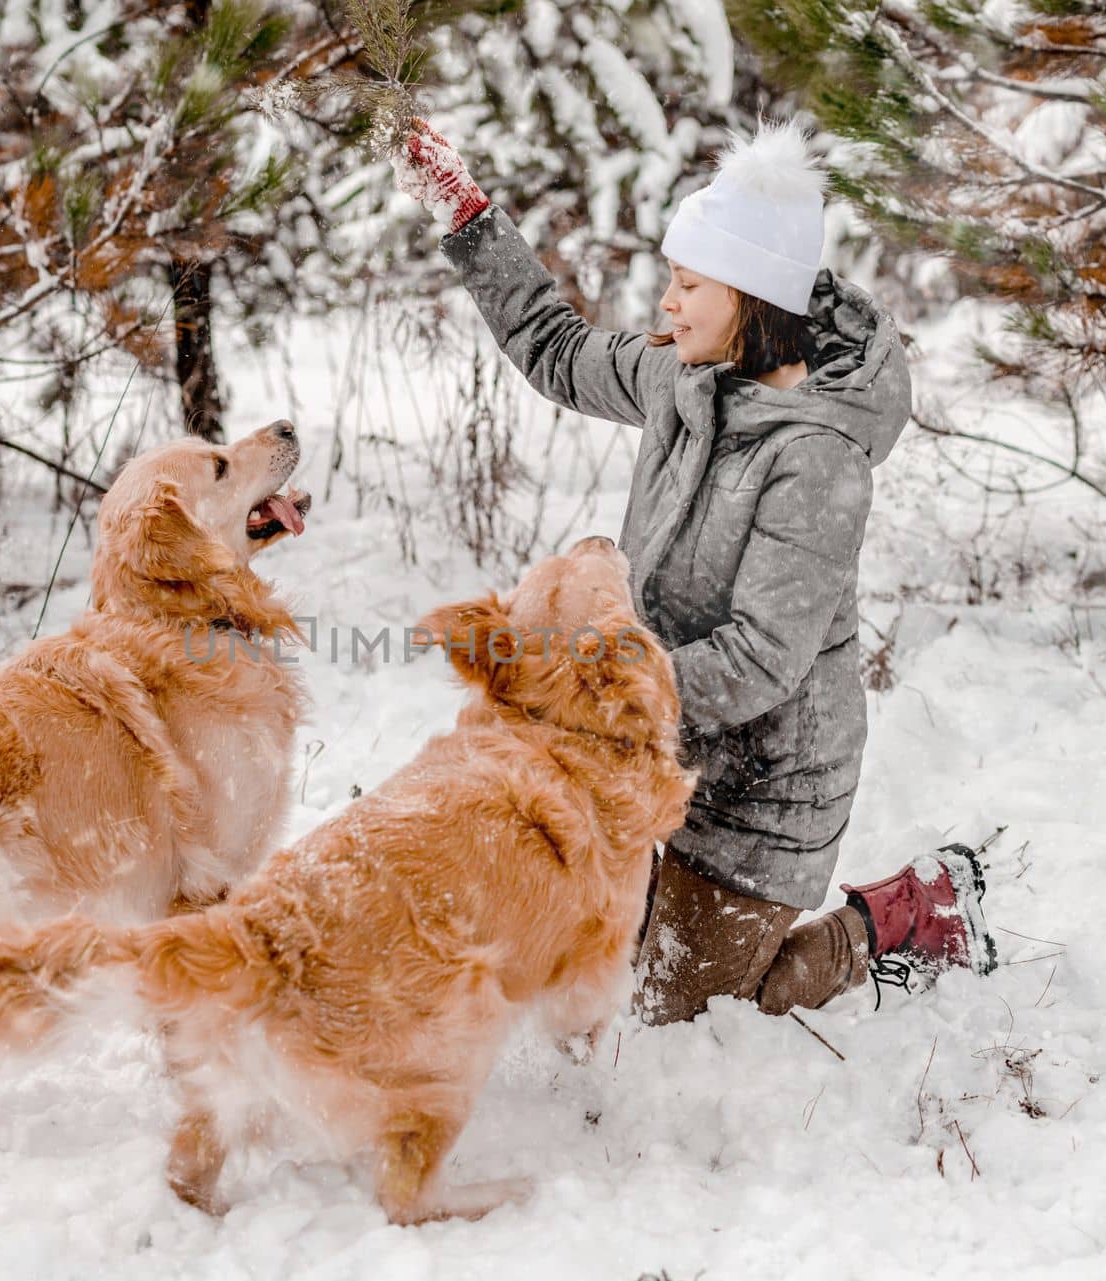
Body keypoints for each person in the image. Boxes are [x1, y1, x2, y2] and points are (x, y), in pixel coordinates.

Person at [392, 116, 997, 1025]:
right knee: (571, 940)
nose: (665, 306)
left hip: (766, 786)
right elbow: (557, 350)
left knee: (679, 1006)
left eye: (686, 284)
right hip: (656, 738)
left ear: (751, 297)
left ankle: (907, 913)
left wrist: (606, 690)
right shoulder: (684, 377)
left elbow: (761, 659)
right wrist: (470, 218)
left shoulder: (816, 460)